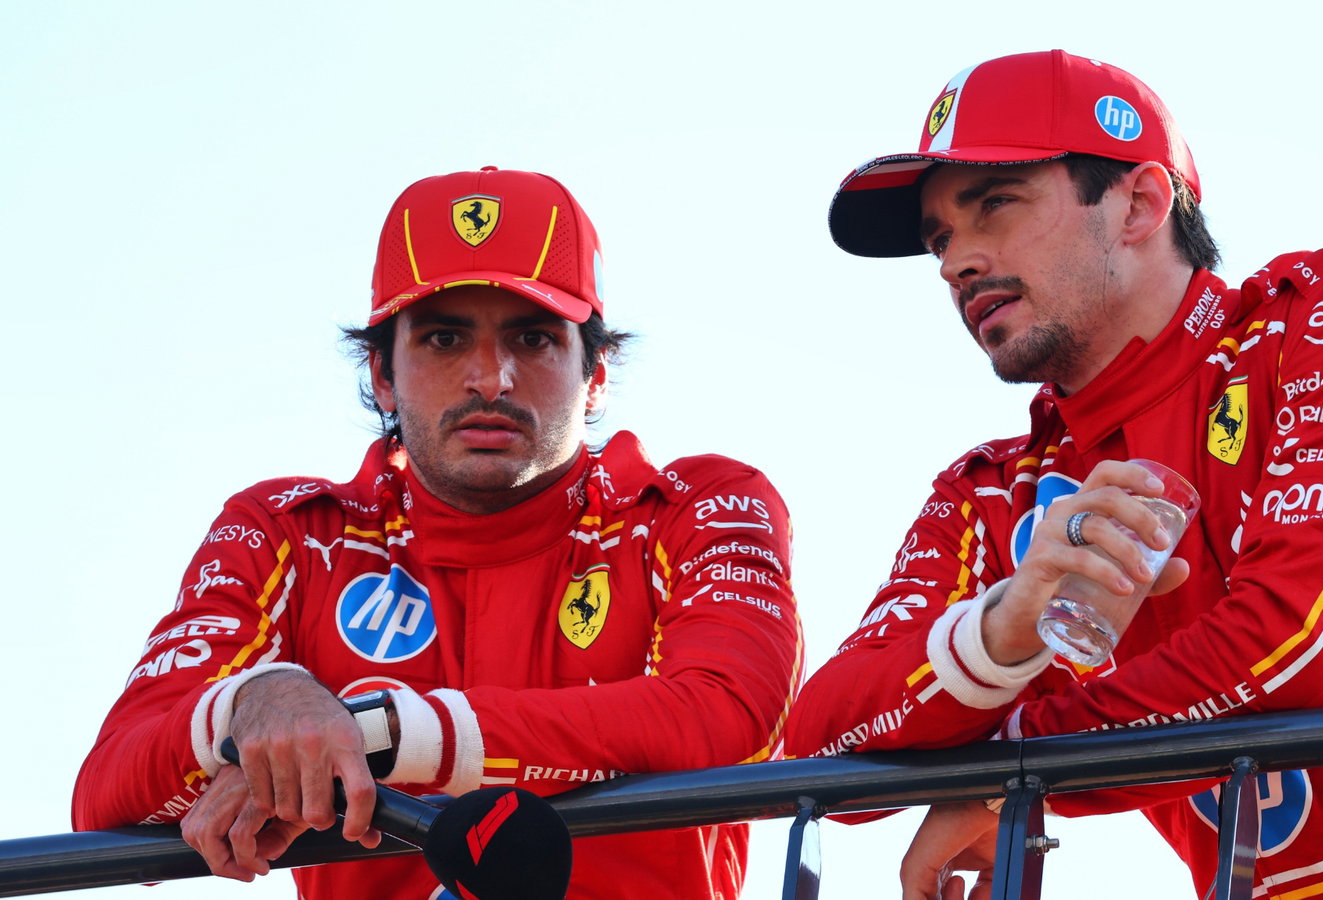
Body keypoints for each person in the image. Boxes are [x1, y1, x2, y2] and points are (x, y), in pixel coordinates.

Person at [783, 50, 1323, 899]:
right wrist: (1004, 627)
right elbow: (820, 748)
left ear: (1139, 202)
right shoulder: (992, 493)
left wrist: (1004, 776)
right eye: (941, 237)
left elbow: (1301, 654)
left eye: (996, 205)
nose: (956, 262)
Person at [73, 166, 803, 900]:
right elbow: (103, 795)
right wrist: (254, 706)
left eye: (535, 338)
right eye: (446, 338)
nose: (491, 378)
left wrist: (371, 735)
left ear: (597, 374)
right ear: (382, 374)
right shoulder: (282, 533)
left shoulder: (695, 504)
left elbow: (735, 714)